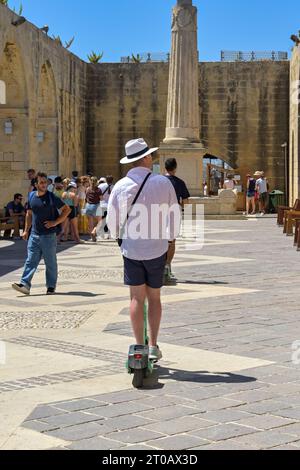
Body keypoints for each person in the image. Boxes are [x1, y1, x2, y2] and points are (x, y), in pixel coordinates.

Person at [107, 138, 180, 362]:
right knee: (154, 298)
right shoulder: (163, 183)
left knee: (136, 298)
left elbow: (112, 220)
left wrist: (118, 237)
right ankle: (154, 345)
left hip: (131, 249)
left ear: (130, 161)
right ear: (146, 158)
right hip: (157, 248)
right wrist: (170, 239)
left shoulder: (120, 186)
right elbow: (173, 215)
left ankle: (139, 345)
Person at [12, 172, 71, 296]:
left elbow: (67, 210)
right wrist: (26, 230)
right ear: (36, 184)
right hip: (34, 235)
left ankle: (50, 286)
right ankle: (25, 284)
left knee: (50, 262)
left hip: (49, 236)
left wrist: (55, 222)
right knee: (30, 260)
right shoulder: (32, 195)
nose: (44, 185)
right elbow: (29, 214)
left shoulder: (51, 197)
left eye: (45, 182)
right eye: (42, 182)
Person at [164, 158, 190, 284]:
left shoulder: (158, 181)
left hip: (157, 211)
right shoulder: (180, 182)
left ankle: (158, 266)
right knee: (172, 240)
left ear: (165, 167)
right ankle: (167, 265)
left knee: (159, 238)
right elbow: (186, 201)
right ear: (175, 168)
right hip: (174, 211)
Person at [85, 176, 103, 242]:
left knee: (90, 223)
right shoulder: (98, 189)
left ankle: (92, 237)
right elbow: (101, 198)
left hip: (88, 206)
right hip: (96, 206)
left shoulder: (87, 189)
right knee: (100, 222)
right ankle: (94, 231)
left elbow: (86, 197)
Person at [97, 175, 114, 240]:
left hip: (102, 205)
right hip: (110, 206)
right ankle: (109, 234)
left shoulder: (100, 186)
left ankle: (101, 234)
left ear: (106, 180)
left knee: (102, 220)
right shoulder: (114, 187)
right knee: (109, 220)